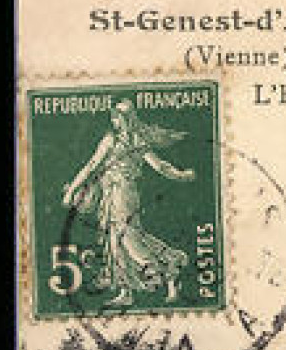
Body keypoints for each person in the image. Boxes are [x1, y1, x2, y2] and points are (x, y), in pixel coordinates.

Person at [60, 98, 196, 307]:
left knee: (128, 238)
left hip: (123, 193)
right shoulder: (113, 140)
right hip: (110, 193)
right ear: (114, 118)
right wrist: (72, 189)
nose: (120, 120)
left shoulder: (133, 140)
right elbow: (92, 166)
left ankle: (163, 269)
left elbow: (159, 165)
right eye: (118, 115)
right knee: (115, 241)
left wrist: (181, 175)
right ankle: (128, 290)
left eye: (125, 116)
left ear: (130, 118)